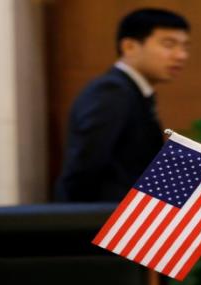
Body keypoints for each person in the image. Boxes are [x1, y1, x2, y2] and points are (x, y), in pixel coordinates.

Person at [55, 8, 190, 202]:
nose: (181, 55)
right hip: (102, 220)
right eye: (169, 45)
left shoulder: (133, 91)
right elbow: (84, 166)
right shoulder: (111, 90)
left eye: (185, 47)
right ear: (129, 46)